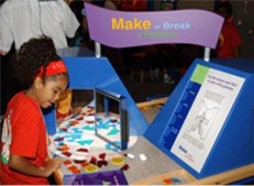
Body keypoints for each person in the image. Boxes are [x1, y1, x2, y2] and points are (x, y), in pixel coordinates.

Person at [0, 37, 69, 184]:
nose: (57, 98)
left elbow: (22, 131)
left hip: (7, 177)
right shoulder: (29, 114)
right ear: (38, 82)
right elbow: (16, 161)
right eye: (55, 91)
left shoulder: (19, 98)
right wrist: (44, 171)